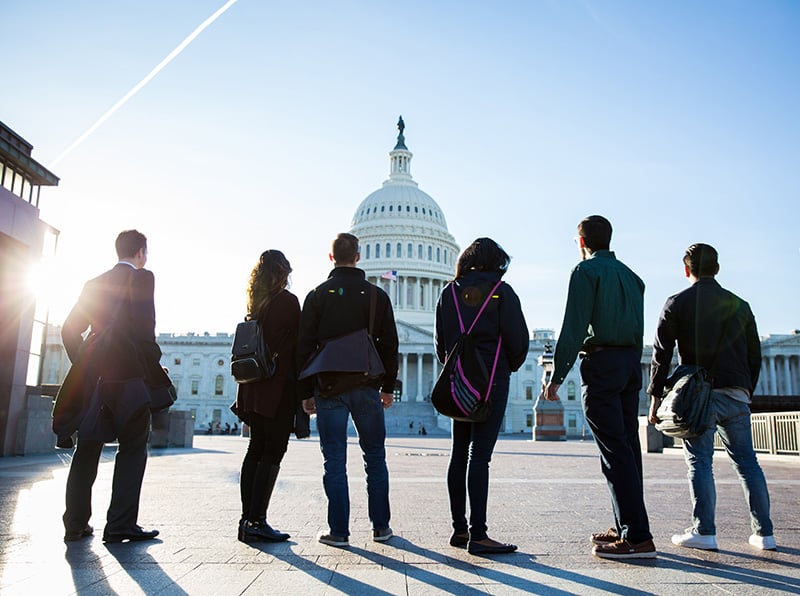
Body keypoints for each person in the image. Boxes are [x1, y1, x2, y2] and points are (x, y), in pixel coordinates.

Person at [648, 243, 775, 551]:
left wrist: (655, 398)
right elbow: (754, 355)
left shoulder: (677, 302)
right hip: (736, 392)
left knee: (699, 462)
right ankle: (764, 533)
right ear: (717, 268)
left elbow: (661, 355)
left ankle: (704, 531)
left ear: (686, 269)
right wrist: (746, 389)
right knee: (748, 463)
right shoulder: (739, 304)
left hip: (697, 396)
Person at [544, 215, 656, 559]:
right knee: (627, 449)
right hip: (629, 365)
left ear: (581, 243)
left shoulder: (585, 272)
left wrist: (557, 376)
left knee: (613, 451)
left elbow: (574, 325)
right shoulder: (632, 277)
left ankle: (637, 537)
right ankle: (626, 524)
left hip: (603, 364)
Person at [58, 229, 166, 543]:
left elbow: (69, 330)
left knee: (86, 450)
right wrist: (151, 368)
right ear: (141, 253)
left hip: (96, 381)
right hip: (131, 379)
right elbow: (146, 333)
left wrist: (85, 365)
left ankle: (75, 523)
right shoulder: (143, 278)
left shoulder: (93, 284)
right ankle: (119, 524)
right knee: (132, 449)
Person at [297, 233, 399, 548]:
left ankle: (339, 531)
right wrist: (387, 386)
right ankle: (381, 527)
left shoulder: (317, 295)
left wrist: (306, 391)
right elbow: (390, 345)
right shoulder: (375, 295)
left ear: (331, 257)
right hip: (367, 386)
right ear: (358, 256)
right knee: (375, 457)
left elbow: (303, 348)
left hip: (328, 388)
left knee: (334, 461)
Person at [435, 238, 529, 555]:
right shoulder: (502, 291)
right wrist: (504, 367)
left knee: (458, 454)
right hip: (491, 381)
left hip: (459, 381)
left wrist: (457, 368)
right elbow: (518, 340)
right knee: (481, 456)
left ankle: (459, 530)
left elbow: (440, 344)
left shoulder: (448, 292)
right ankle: (479, 534)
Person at [232, 250, 300, 543]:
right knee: (273, 451)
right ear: (283, 272)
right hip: (276, 388)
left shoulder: (255, 303)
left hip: (254, 386)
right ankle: (257, 520)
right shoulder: (287, 301)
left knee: (255, 449)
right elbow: (297, 347)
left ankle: (247, 519)